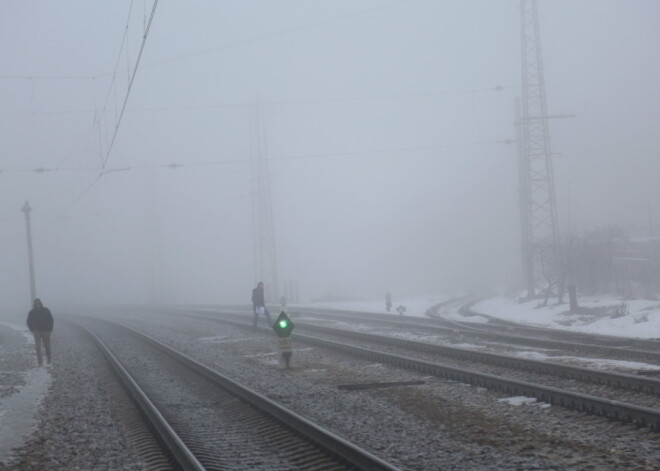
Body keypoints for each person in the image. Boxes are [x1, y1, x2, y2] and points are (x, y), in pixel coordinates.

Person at [26, 298, 54, 367]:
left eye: (38, 303)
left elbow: (51, 320)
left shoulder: (46, 310)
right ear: (34, 304)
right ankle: (40, 362)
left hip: (46, 332)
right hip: (37, 332)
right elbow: (28, 322)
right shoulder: (32, 312)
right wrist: (33, 330)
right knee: (38, 347)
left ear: (41, 303)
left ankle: (49, 360)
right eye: (36, 303)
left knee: (47, 346)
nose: (37, 305)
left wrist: (49, 330)